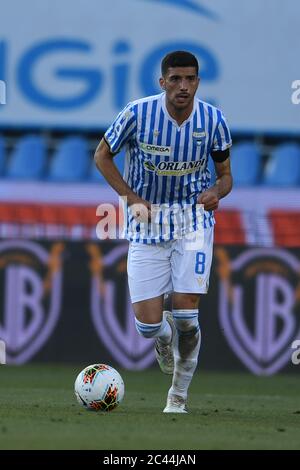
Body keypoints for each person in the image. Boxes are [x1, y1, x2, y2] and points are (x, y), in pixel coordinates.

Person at [94, 50, 233, 413]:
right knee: (146, 326)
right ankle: (162, 337)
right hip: (147, 221)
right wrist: (129, 196)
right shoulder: (137, 113)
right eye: (175, 79)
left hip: (193, 221)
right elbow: (101, 155)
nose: (183, 86)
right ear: (163, 82)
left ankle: (178, 397)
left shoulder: (213, 120)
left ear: (198, 82)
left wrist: (217, 192)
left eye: (190, 79)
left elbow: (226, 176)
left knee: (187, 316)